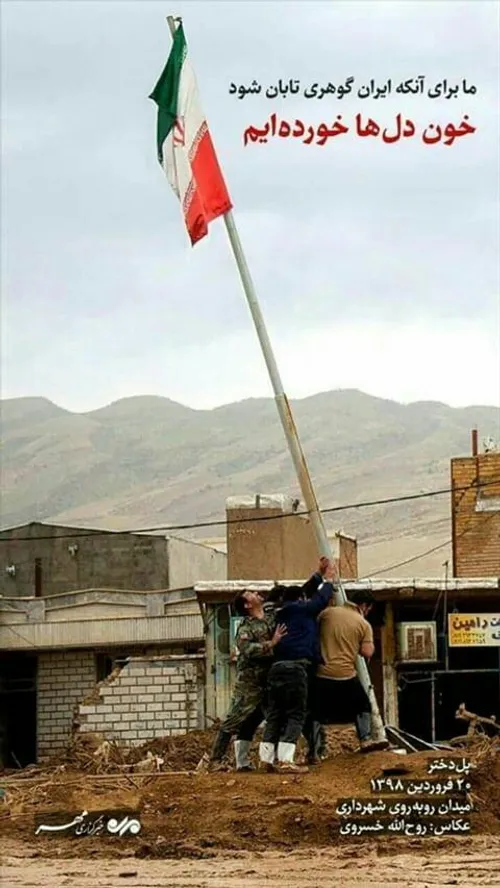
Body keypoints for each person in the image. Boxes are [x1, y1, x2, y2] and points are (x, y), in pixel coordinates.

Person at [258, 559, 336, 772]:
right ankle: (285, 760)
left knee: (275, 714)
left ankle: (266, 759)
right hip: (296, 670)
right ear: (301, 600)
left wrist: (318, 575)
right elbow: (319, 600)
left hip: (276, 670)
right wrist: (328, 580)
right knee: (296, 713)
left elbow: (302, 592)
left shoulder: (279, 614)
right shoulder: (303, 610)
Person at [206, 589, 287, 771]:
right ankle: (215, 760)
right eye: (250, 593)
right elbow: (246, 648)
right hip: (250, 683)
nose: (256, 593)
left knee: (267, 719)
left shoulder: (271, 617)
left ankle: (268, 760)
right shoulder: (245, 627)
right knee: (234, 720)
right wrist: (271, 644)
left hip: (269, 680)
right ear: (247, 605)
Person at [313, 589, 388, 752]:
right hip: (345, 674)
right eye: (368, 609)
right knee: (362, 706)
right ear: (365, 606)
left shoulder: (326, 614)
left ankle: (314, 750)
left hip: (321, 672)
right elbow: (367, 652)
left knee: (315, 712)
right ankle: (365, 739)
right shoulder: (363, 624)